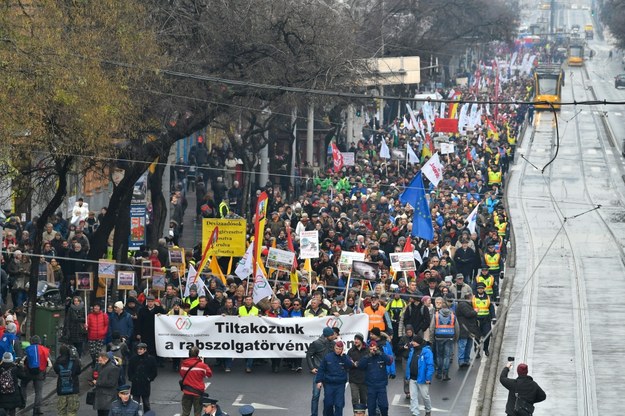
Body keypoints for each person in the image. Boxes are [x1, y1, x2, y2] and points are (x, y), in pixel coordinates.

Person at [315, 340, 353, 416]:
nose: (338, 350)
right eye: (336, 348)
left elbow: (350, 365)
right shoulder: (328, 357)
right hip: (329, 384)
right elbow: (321, 369)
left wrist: (344, 356)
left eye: (340, 349)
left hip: (340, 384)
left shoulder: (345, 357)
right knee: (328, 403)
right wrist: (319, 381)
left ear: (342, 349)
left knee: (339, 405)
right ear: (334, 348)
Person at [306, 327, 337, 416]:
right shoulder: (316, 343)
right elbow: (308, 355)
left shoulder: (333, 343)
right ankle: (314, 414)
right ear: (327, 336)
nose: (334, 336)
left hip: (329, 373)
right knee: (316, 395)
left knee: (329, 396)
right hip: (319, 372)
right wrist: (312, 368)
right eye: (332, 335)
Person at [357, 340, 393, 416]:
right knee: (371, 407)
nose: (373, 350)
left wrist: (380, 353)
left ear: (377, 348)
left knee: (384, 406)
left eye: (374, 348)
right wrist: (368, 356)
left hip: (381, 385)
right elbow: (360, 366)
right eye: (371, 349)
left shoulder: (381, 356)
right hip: (370, 386)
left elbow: (389, 361)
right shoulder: (367, 357)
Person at [21, 335, 52, 416]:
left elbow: (22, 361)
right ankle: (37, 409)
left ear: (31, 342)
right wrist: (45, 372)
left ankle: (23, 403)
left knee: (23, 385)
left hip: (28, 373)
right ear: (40, 341)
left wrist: (24, 369)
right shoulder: (45, 350)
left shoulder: (27, 349)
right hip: (40, 373)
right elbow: (50, 364)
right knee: (38, 392)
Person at [429, 298, 458, 381]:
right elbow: (457, 328)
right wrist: (455, 339)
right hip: (449, 337)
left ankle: (439, 373)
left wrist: (431, 339)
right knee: (447, 356)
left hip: (438, 337)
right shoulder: (453, 315)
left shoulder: (436, 315)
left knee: (439, 356)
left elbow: (432, 328)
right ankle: (445, 374)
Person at [405, 335, 434, 416]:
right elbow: (409, 364)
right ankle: (415, 413)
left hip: (422, 378)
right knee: (413, 397)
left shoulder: (427, 352)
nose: (412, 343)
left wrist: (428, 378)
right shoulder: (412, 351)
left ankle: (428, 410)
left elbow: (430, 365)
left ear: (418, 342)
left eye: (414, 341)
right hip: (412, 378)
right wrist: (408, 375)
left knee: (425, 396)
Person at [180, 346, 212, 416]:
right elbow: (209, 374)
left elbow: (182, 375)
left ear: (189, 354)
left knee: (185, 412)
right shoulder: (202, 366)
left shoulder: (183, 364)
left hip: (187, 392)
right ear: (198, 354)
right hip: (198, 393)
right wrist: (202, 362)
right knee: (197, 413)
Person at [128, 342, 158, 412]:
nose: (139, 350)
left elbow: (154, 371)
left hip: (145, 384)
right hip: (136, 383)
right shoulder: (133, 359)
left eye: (141, 349)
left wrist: (149, 378)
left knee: (146, 403)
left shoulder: (151, 359)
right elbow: (130, 370)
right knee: (135, 403)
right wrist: (132, 378)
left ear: (145, 350)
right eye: (138, 349)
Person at [53, 345, 81, 416]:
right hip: (73, 389)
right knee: (72, 411)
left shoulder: (57, 362)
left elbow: (56, 371)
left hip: (61, 389)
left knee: (61, 411)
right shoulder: (74, 361)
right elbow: (78, 371)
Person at [91, 351, 120, 416]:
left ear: (105, 359)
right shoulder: (99, 366)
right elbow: (95, 375)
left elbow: (111, 383)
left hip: (108, 397)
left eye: (100, 360)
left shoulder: (114, 368)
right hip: (100, 396)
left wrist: (97, 382)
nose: (99, 362)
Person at [456, 292, 479, 368]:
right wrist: (475, 311)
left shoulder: (468, 304)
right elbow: (468, 314)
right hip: (463, 329)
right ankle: (461, 361)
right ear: (469, 297)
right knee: (462, 345)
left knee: (469, 345)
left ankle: (466, 360)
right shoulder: (463, 304)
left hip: (469, 329)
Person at [474, 282, 496, 358]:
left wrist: (494, 317)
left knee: (487, 335)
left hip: (486, 319)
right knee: (477, 336)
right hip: (476, 320)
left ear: (484, 289)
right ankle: (476, 350)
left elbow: (491, 308)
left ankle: (485, 349)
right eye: (479, 288)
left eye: (482, 288)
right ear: (477, 289)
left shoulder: (488, 297)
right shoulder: (473, 298)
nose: (480, 290)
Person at [347, 333, 368, 407]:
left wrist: (359, 363)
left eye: (358, 339)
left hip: (364, 379)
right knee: (355, 399)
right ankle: (356, 413)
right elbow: (347, 363)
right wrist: (352, 364)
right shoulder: (351, 351)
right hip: (353, 379)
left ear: (361, 341)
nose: (355, 341)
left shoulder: (367, 350)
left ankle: (362, 413)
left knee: (364, 399)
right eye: (355, 339)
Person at [86, 302, 109, 368]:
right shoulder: (90, 316)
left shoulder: (104, 315)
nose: (96, 308)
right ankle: (94, 361)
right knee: (92, 351)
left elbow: (106, 324)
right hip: (92, 336)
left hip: (100, 336)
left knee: (98, 351)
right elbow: (88, 325)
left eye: (97, 306)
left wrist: (103, 332)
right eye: (95, 306)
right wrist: (86, 326)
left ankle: (96, 364)